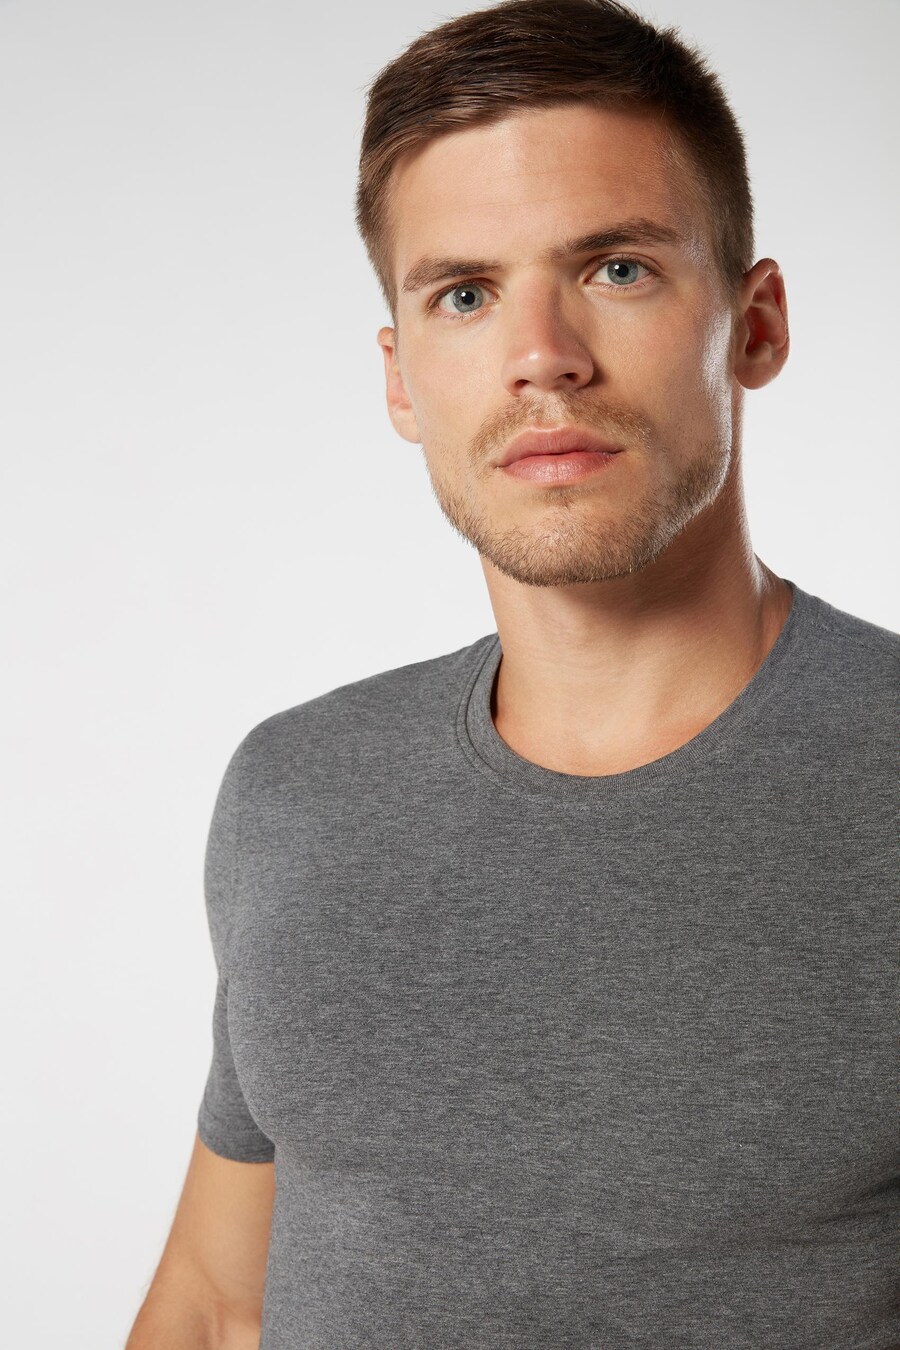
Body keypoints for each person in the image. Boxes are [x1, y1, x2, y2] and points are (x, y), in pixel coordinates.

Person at [125, 1, 899, 1345]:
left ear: (757, 323)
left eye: (616, 267)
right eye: (465, 295)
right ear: (402, 378)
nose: (542, 354)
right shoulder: (297, 789)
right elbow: (215, 1305)